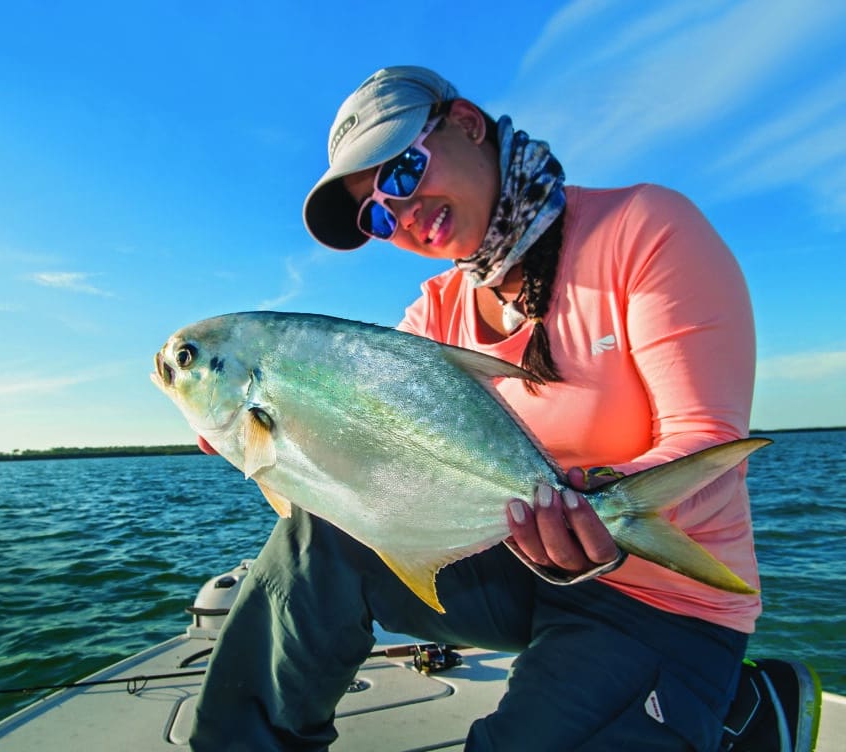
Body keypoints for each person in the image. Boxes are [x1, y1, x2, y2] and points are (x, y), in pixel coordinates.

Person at [188, 66, 821, 751]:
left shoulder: (643, 229)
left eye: (400, 173)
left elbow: (705, 443)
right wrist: (274, 443)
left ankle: (740, 708)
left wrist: (594, 511)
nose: (399, 214)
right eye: (376, 215)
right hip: (513, 561)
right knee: (319, 532)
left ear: (465, 123)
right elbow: (365, 451)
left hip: (658, 596)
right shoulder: (433, 312)